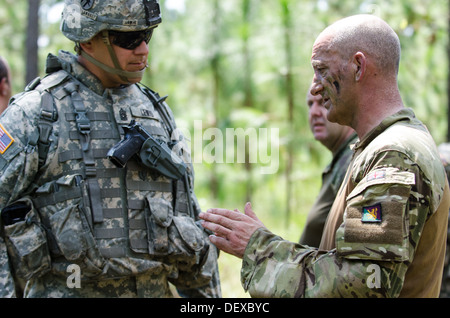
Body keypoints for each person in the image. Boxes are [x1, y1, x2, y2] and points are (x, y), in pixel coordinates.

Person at [200, 14, 450, 298]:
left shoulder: (394, 155)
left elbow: (361, 285)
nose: (314, 87)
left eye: (321, 70)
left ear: (358, 66)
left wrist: (259, 248)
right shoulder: (381, 146)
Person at [0, 0, 221, 298]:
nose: (143, 50)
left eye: (147, 36)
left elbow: (190, 222)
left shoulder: (156, 112)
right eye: (128, 39)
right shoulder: (36, 115)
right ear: (88, 39)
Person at [300, 85, 357, 247]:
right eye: (310, 104)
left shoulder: (353, 160)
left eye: (323, 102)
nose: (314, 112)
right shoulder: (341, 159)